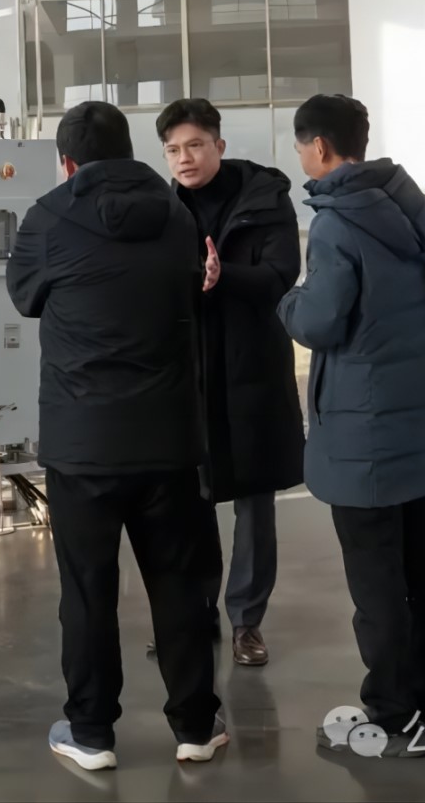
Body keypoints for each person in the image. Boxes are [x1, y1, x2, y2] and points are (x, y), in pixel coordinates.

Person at [8, 100, 228, 771]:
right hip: (168, 436)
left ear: (67, 162)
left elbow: (23, 297)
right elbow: (191, 290)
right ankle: (196, 726)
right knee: (179, 584)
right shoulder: (176, 214)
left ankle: (90, 732)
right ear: (131, 151)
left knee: (86, 591)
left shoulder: (48, 216)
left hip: (83, 442)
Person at [276, 94, 425, 759]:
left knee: (376, 584)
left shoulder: (335, 224)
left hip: (363, 439)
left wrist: (287, 300)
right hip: (420, 424)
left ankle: (389, 715)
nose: (301, 157)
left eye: (301, 146)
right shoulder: (415, 208)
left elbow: (319, 321)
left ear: (320, 148)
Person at [156, 98, 305, 669]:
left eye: (195, 145)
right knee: (188, 501)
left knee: (253, 500)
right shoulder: (164, 209)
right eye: (173, 149)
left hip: (251, 368)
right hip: (188, 371)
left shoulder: (264, 200)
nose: (185, 158)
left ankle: (246, 621)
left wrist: (226, 277)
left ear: (219, 145)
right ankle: (194, 615)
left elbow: (281, 275)